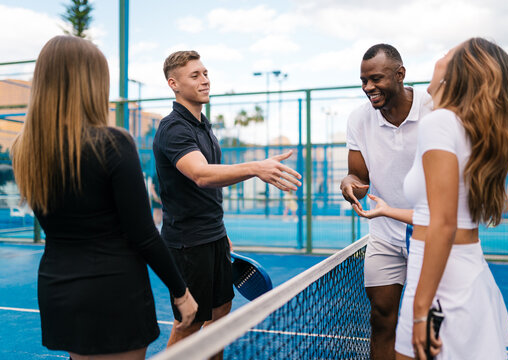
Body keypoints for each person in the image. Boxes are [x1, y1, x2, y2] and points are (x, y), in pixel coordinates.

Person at [10, 36, 198, 360]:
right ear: (90, 83)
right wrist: (180, 292)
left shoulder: (23, 149)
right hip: (114, 292)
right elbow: (143, 234)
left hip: (58, 290)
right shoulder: (113, 143)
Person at [356, 38, 508, 360]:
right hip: (459, 271)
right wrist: (390, 211)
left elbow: (442, 225)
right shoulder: (467, 126)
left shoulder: (440, 123)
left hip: (441, 281)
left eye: (447, 54)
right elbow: (442, 215)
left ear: (459, 71)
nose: (440, 56)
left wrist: (420, 310)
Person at [153, 50, 302, 355]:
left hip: (213, 237)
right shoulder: (174, 129)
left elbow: (209, 187)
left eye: (205, 73)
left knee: (221, 316)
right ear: (174, 84)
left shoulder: (203, 126)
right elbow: (201, 175)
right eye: (195, 76)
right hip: (187, 244)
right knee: (190, 322)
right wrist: (256, 167)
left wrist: (219, 231)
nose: (205, 80)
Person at [340, 44, 432, 360]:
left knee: (432, 326)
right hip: (384, 236)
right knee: (381, 318)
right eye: (363, 81)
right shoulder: (358, 119)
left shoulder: (434, 109)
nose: (368, 88)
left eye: (375, 79)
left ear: (400, 74)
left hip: (431, 234)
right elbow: (356, 176)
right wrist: (348, 184)